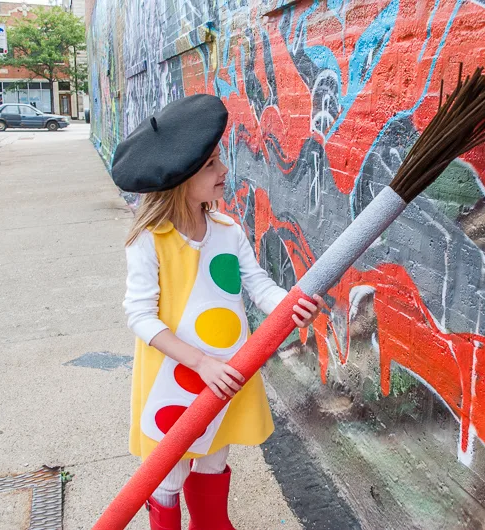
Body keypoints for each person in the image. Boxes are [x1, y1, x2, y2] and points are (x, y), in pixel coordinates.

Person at [112, 94, 326, 530]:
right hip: (173, 380)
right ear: (181, 178)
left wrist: (290, 307)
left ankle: (211, 523)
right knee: (169, 473)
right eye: (211, 164)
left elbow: (258, 285)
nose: (224, 170)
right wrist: (200, 363)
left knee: (213, 456)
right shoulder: (150, 240)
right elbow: (140, 317)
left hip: (227, 371)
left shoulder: (227, 231)